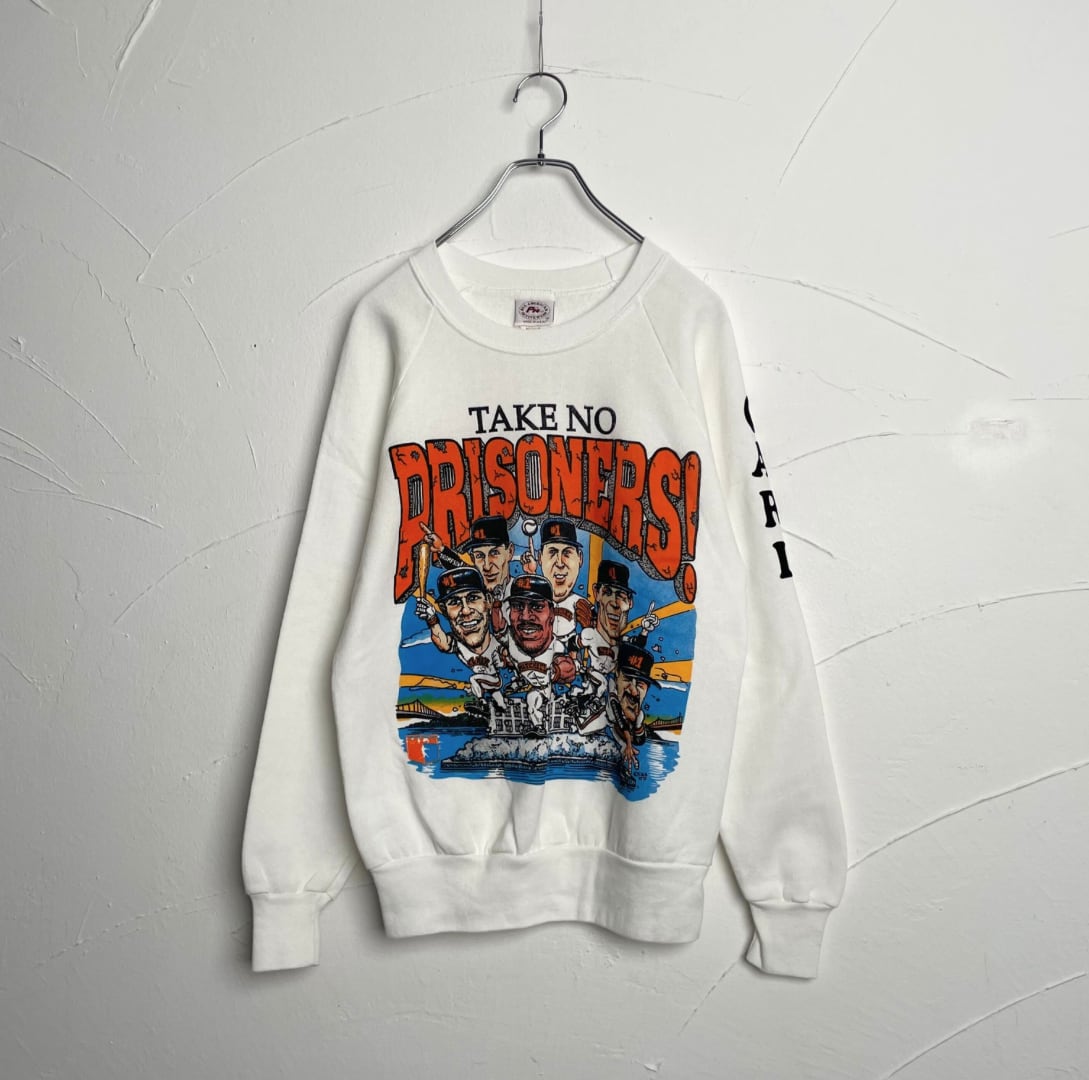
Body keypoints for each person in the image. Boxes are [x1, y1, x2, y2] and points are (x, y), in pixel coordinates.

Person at [416, 566, 508, 710]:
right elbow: (443, 643)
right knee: (499, 703)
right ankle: (498, 707)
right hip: (489, 683)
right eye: (454, 602)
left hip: (494, 679)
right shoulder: (458, 644)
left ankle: (481, 702)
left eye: (473, 598)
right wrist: (431, 619)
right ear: (444, 610)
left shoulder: (500, 641)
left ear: (488, 601)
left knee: (474, 680)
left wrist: (506, 660)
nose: (465, 610)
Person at [504, 575, 575, 736]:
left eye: (536, 607)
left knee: (533, 700)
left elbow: (568, 668)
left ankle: (538, 727)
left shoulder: (556, 648)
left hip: (546, 695)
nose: (525, 616)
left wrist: (557, 672)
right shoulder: (507, 644)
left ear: (552, 614)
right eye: (517, 606)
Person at [520, 517, 591, 645]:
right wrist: (531, 575)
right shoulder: (525, 603)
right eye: (552, 553)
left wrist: (590, 630)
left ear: (580, 558)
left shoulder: (583, 606)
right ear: (540, 558)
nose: (559, 563)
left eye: (567, 553)